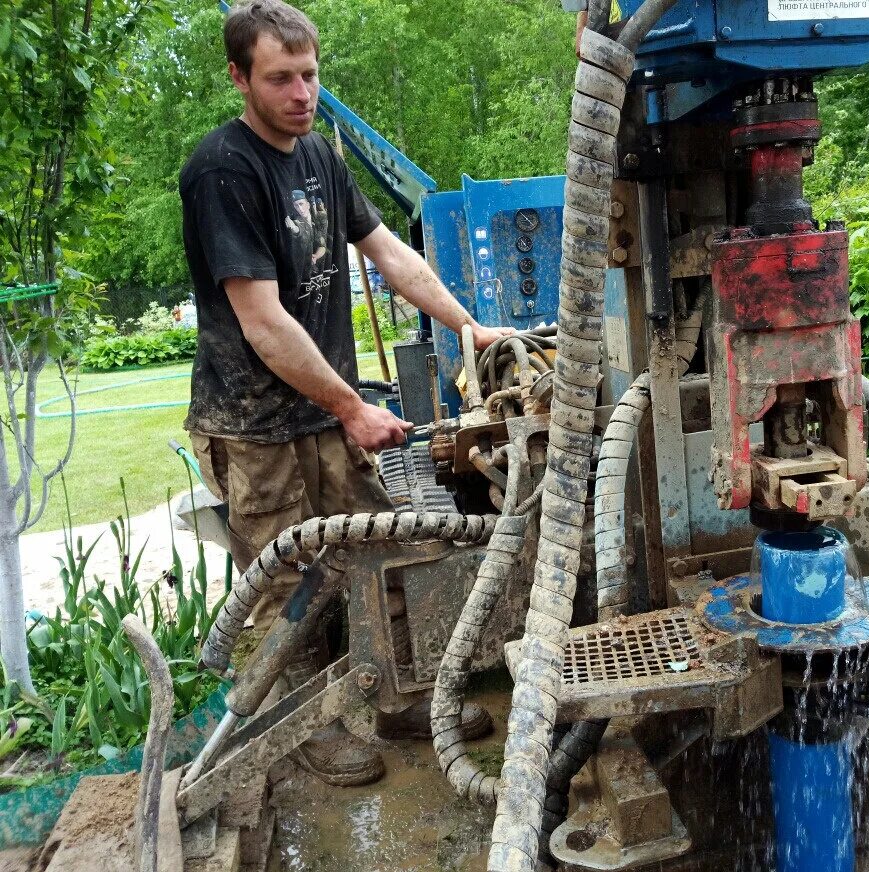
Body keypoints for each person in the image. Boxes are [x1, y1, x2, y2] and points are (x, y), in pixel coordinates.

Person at [180, 0, 511, 786]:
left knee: (377, 553)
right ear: (240, 78)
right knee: (283, 581)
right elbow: (261, 322)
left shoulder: (320, 157)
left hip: (322, 412)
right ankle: (298, 730)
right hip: (254, 424)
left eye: (310, 75)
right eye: (280, 78)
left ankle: (395, 699)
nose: (301, 93)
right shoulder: (222, 171)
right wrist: (351, 407)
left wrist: (470, 328)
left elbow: (389, 252)